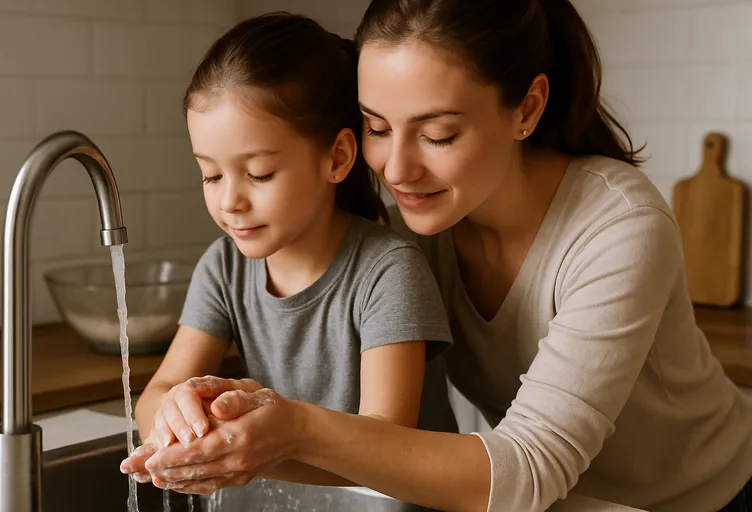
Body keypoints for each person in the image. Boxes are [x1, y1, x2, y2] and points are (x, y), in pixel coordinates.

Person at [121, 1, 752, 511]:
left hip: (707, 496)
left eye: (438, 134)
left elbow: (528, 468)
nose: (396, 169)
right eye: (376, 126)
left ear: (526, 109)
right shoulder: (413, 230)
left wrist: (291, 429)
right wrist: (222, 446)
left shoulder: (618, 225)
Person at [126, 10, 459, 490]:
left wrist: (253, 448)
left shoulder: (388, 271)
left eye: (259, 173)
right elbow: (153, 397)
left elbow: (389, 443)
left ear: (337, 157)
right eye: (211, 174)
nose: (230, 201)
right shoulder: (224, 267)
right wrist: (178, 414)